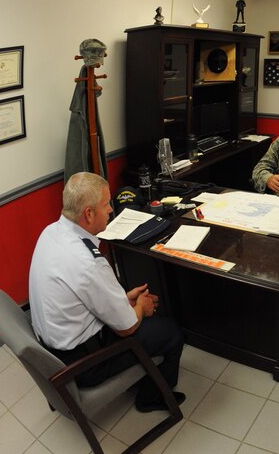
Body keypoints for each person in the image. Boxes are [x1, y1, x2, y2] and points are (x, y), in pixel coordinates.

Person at [29, 172, 185, 413]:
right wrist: (140, 308)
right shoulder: (88, 262)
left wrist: (123, 300)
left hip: (55, 351)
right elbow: (128, 327)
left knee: (140, 313)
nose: (111, 210)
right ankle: (151, 397)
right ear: (88, 214)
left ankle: (145, 378)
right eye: (106, 204)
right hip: (83, 364)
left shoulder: (50, 232)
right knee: (171, 331)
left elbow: (83, 296)